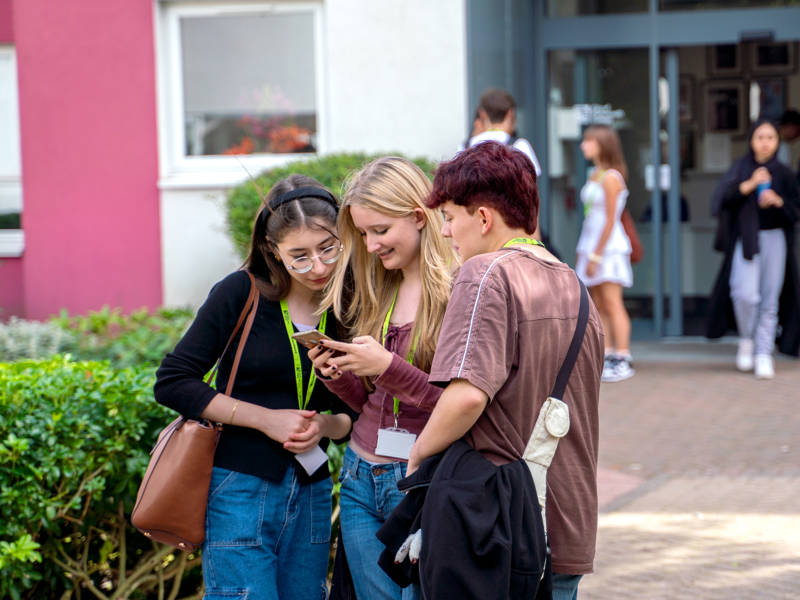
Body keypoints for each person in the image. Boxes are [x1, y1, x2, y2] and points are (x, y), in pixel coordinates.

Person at [407, 141, 604, 600]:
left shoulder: (485, 273)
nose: (448, 235)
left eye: (451, 220)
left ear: (482, 218)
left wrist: (417, 458)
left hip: (499, 527)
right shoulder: (574, 285)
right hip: (566, 521)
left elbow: (468, 395)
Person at [154, 175, 355, 600]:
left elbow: (355, 417)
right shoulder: (239, 292)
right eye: (299, 256)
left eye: (328, 249)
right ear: (272, 251)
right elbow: (173, 382)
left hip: (313, 486)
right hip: (239, 487)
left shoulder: (349, 304)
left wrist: (322, 427)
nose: (318, 267)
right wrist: (266, 420)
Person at [309, 157, 457, 600]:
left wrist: (387, 368)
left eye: (380, 230)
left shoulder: (458, 289)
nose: (371, 245)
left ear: (417, 216)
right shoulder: (382, 288)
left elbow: (464, 405)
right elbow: (370, 402)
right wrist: (338, 375)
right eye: (363, 234)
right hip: (357, 477)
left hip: (419, 483)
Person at [707, 118, 800, 377]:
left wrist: (778, 201)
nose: (765, 143)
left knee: (770, 297)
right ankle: (747, 339)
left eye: (771, 138)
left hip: (775, 239)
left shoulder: (784, 173)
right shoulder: (740, 168)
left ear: (777, 142)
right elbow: (721, 200)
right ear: (751, 141)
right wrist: (748, 185)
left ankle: (763, 352)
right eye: (760, 137)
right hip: (746, 240)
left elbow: (795, 210)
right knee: (744, 294)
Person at [575, 124, 635, 383]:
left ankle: (622, 356)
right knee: (598, 304)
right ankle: (608, 353)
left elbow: (611, 220)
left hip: (608, 249)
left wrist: (596, 255)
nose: (583, 146)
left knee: (612, 302)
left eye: (588, 141)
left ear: (602, 143)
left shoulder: (611, 177)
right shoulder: (595, 174)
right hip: (590, 244)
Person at [465, 87, 542, 177]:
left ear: (482, 113)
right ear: (510, 113)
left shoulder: (466, 147)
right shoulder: (519, 146)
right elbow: (532, 182)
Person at [777, 109, 800, 184]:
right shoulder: (782, 147)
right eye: (797, 131)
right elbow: (782, 175)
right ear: (790, 126)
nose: (798, 135)